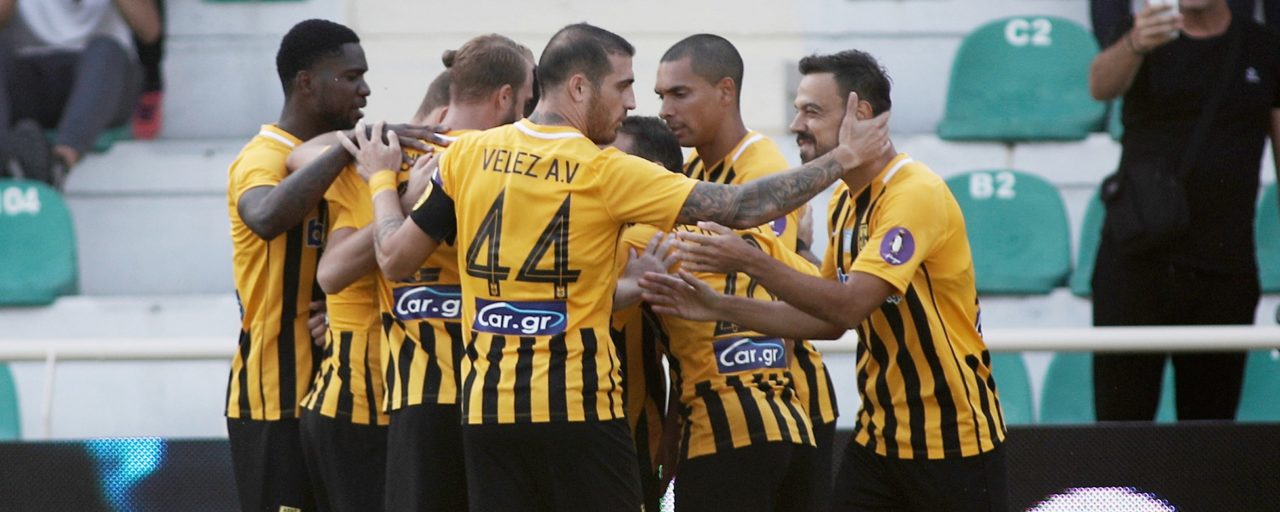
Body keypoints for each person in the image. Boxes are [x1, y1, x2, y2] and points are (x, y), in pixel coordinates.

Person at [341, 22, 888, 511]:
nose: (631, 102)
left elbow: (393, 257)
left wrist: (381, 183)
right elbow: (743, 206)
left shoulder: (467, 156)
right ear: (580, 87)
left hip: (486, 416)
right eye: (623, 86)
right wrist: (844, 156)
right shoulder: (606, 170)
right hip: (579, 414)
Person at [641, 50, 1008, 511]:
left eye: (812, 112)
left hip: (954, 438)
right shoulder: (845, 201)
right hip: (878, 436)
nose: (797, 124)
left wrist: (749, 260)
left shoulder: (915, 193)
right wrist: (719, 306)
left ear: (861, 116)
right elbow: (827, 320)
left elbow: (848, 306)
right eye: (798, 110)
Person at [655, 34, 839, 510]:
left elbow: (779, 283)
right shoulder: (689, 171)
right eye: (661, 96)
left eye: (680, 94)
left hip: (790, 400)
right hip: (717, 404)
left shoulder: (761, 169)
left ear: (725, 91)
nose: (665, 110)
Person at [1087, 0, 1280, 421]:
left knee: (1210, 431)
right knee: (1119, 431)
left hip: (1223, 271)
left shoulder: (1263, 47)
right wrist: (1135, 43)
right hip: (1135, 265)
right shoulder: (1140, 32)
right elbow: (1100, 87)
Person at [222, 19, 373, 512]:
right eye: (351, 77)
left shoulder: (338, 157)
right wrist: (347, 148)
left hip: (338, 395)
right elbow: (265, 217)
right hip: (274, 396)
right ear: (306, 83)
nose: (365, 89)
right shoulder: (262, 156)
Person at [608, 115, 684, 511]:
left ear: (650, 174)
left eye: (613, 163)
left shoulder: (639, 240)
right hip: (649, 429)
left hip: (628, 430)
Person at [0, 0, 159, 187]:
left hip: (103, 81)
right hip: (30, 76)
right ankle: (5, 160)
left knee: (106, 49)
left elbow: (149, 31)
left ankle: (58, 164)